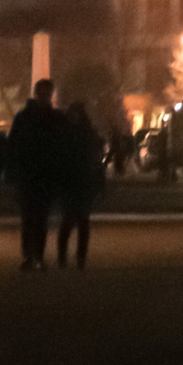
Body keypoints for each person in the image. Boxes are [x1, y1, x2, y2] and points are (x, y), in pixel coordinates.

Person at [5, 79, 68, 272]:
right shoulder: (29, 117)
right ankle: (28, 256)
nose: (46, 97)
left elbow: (64, 147)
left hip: (43, 175)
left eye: (48, 93)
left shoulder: (37, 117)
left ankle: (36, 256)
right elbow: (13, 147)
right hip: (31, 174)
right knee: (30, 218)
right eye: (44, 93)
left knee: (39, 219)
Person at [57, 102, 105, 269]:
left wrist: (99, 182)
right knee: (68, 221)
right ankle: (63, 256)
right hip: (70, 181)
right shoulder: (67, 134)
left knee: (82, 221)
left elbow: (96, 160)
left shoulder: (84, 134)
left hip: (83, 181)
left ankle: (80, 257)